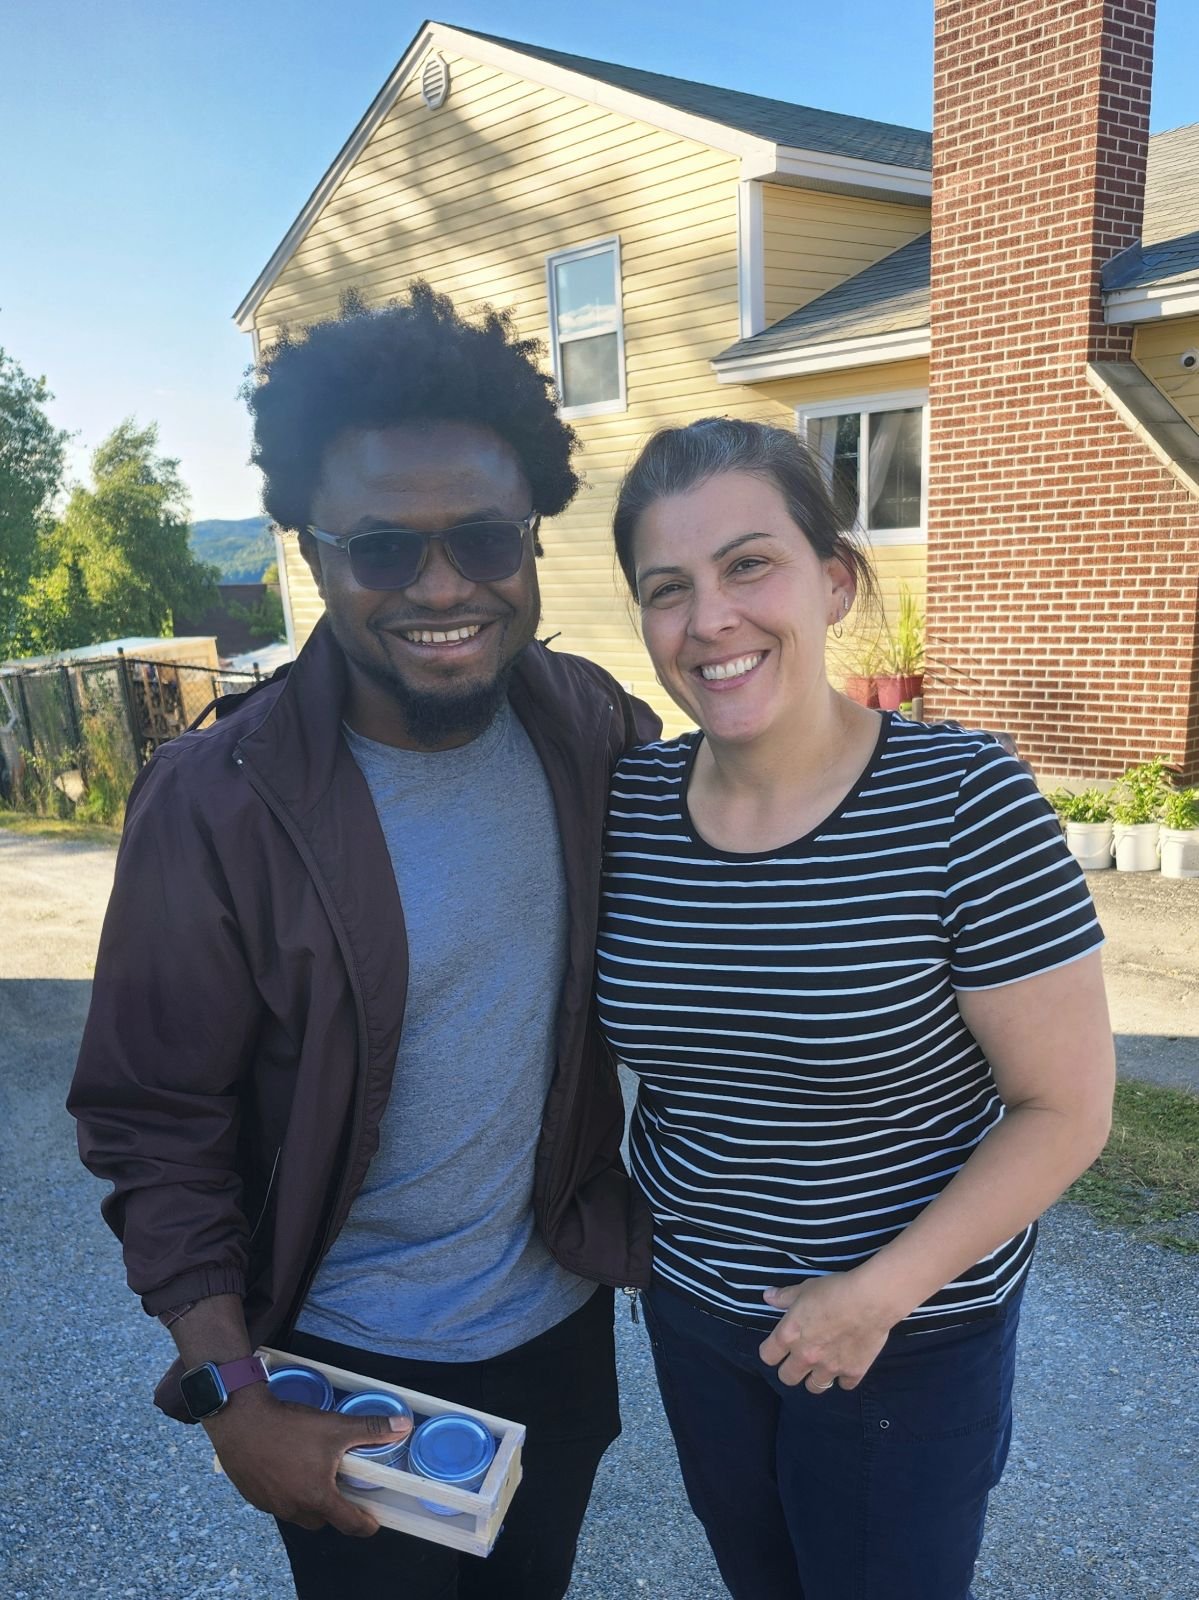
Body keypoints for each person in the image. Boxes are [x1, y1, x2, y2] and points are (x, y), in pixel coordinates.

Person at [67, 283, 658, 1600]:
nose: (441, 587)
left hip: (556, 1338)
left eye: (485, 539)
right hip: (336, 1372)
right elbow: (153, 1119)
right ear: (311, 550)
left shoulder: (592, 733)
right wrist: (230, 1394)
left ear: (531, 538)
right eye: (383, 549)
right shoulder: (215, 800)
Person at [595, 417, 1116, 1600]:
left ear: (831, 581)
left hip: (905, 1337)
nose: (708, 619)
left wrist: (870, 1296)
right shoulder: (623, 807)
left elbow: (1064, 1109)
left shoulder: (962, 801)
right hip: (696, 1319)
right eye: (665, 588)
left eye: (748, 565)